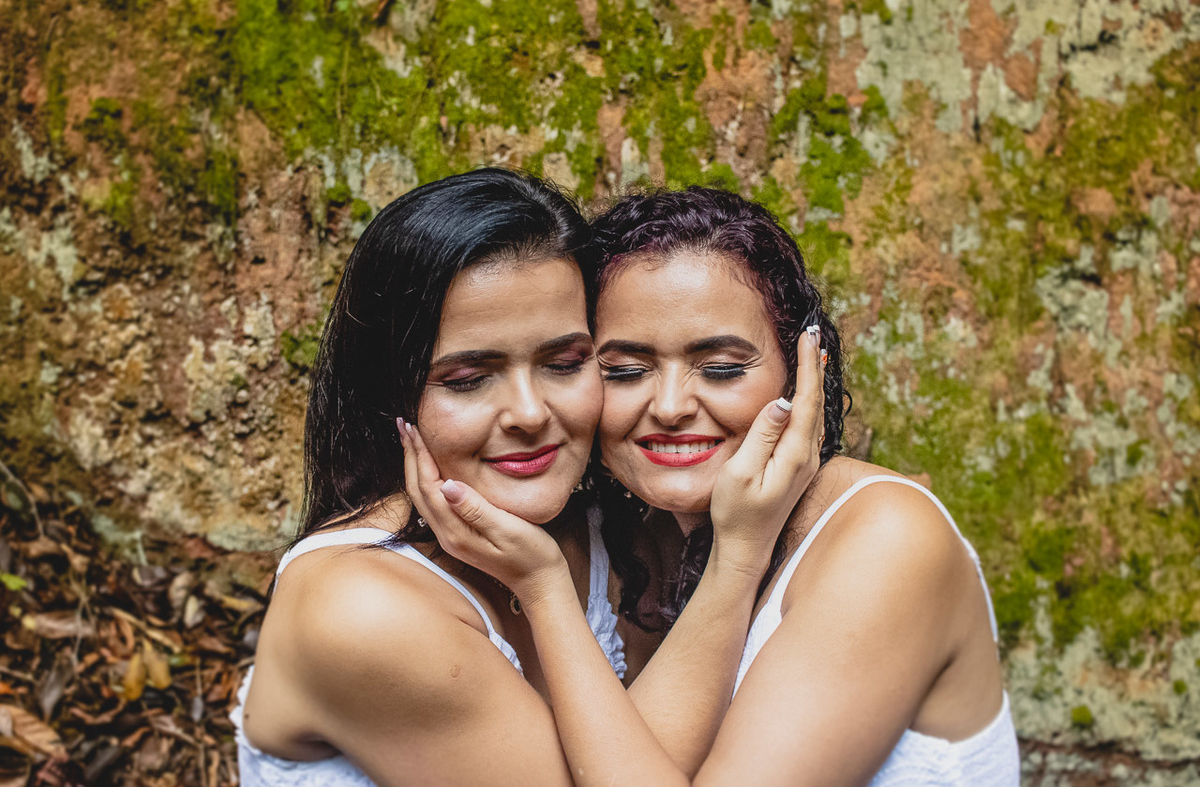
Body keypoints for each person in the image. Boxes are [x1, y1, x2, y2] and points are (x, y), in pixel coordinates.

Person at [408, 187, 1021, 785]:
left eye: (722, 369)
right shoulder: (629, 546)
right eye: (623, 371)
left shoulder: (884, 540)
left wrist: (546, 592)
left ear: (805, 371)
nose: (670, 406)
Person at [232, 171, 826, 786]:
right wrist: (733, 559)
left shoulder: (611, 533)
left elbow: (645, 761)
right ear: (389, 395)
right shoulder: (362, 611)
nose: (530, 414)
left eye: (565, 363)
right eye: (466, 379)